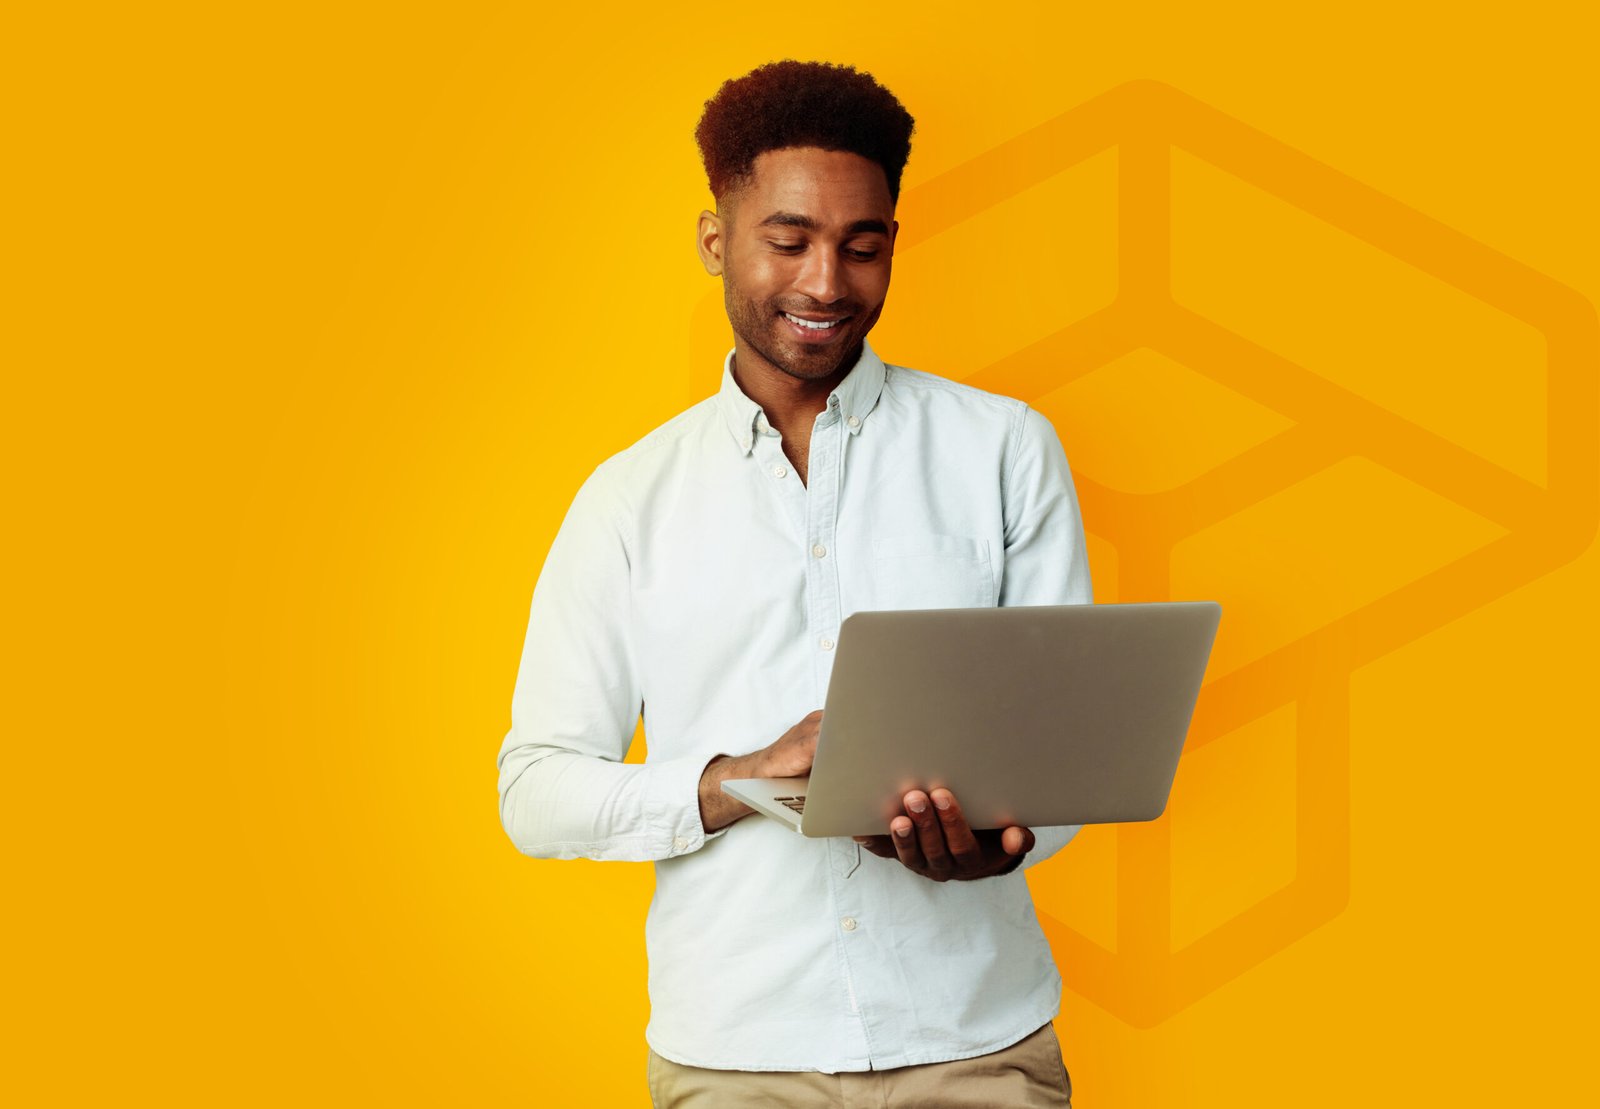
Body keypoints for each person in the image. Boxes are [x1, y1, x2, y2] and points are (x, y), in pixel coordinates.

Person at [496, 59, 1092, 1107]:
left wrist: (997, 846)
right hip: (734, 1053)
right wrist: (735, 777)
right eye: (789, 240)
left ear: (892, 247)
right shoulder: (626, 498)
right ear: (715, 239)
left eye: (861, 248)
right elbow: (535, 789)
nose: (825, 282)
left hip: (976, 1038)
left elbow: (1066, 748)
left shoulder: (1004, 450)